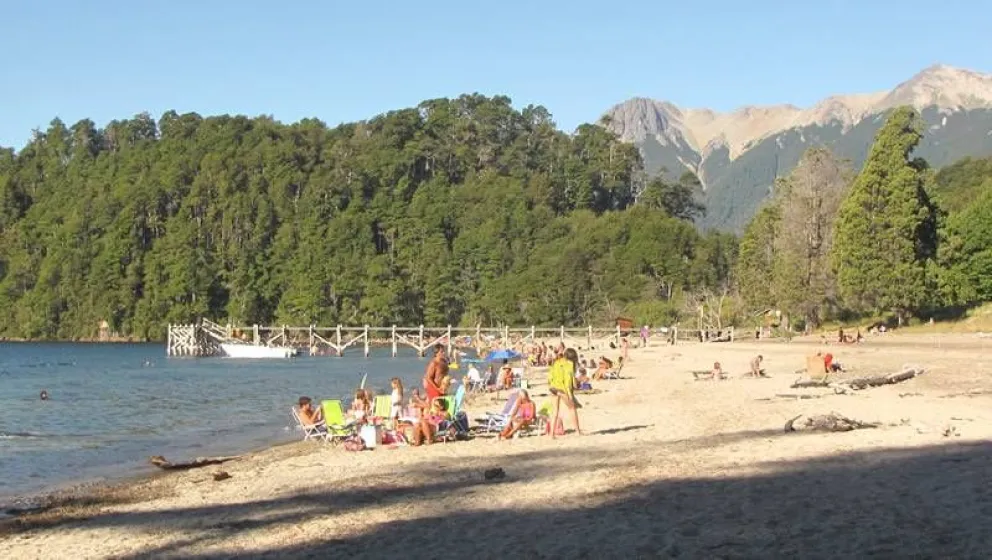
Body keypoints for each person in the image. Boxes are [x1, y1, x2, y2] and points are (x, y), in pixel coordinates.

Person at [547, 347, 582, 438]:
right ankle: (578, 431)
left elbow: (550, 375)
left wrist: (551, 385)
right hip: (562, 389)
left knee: (555, 411)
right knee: (572, 408)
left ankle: (551, 434)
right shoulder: (569, 365)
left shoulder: (557, 362)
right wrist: (570, 395)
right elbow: (568, 381)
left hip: (553, 387)